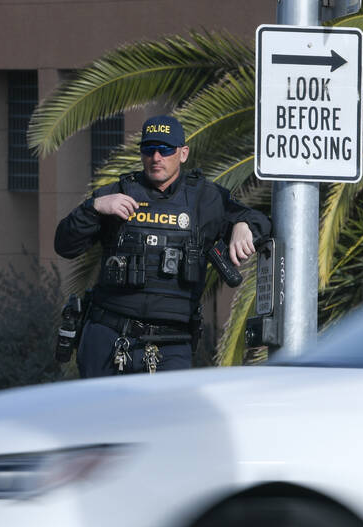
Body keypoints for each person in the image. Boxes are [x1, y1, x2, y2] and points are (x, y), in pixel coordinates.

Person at [55, 115, 271, 377]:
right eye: (149, 149)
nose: (156, 157)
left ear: (183, 153)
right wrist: (93, 208)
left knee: (167, 418)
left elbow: (261, 220)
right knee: (101, 418)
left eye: (166, 149)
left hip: (170, 345)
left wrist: (244, 225)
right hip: (108, 336)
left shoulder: (205, 198)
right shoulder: (118, 194)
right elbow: (65, 245)